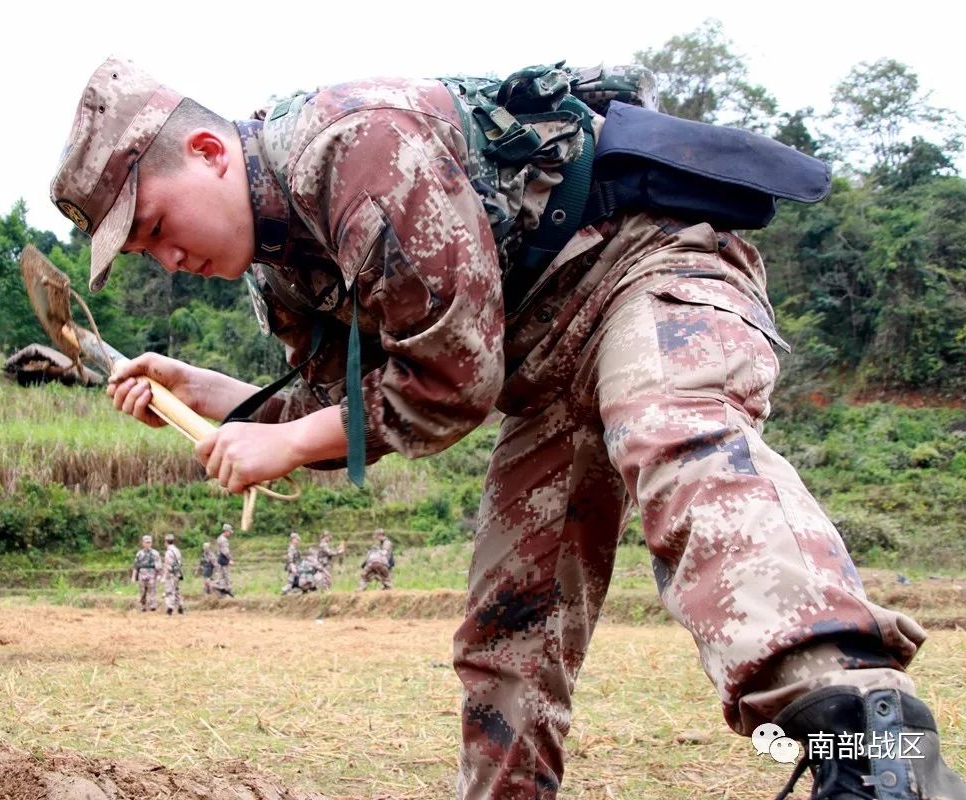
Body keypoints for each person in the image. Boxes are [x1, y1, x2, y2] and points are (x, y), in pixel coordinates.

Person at [54, 58, 965, 799]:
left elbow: (449, 387)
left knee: (665, 425)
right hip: (539, 364)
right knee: (506, 632)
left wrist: (286, 440)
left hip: (642, 265)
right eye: (146, 254)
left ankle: (871, 739)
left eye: (160, 225)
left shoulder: (355, 148)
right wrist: (217, 395)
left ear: (210, 150)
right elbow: (361, 415)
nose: (171, 258)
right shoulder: (283, 275)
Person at [131, 534, 161, 612]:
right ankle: (143, 606)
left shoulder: (155, 553)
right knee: (142, 591)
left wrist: (159, 575)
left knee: (152, 590)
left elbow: (159, 566)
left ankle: (153, 606)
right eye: (146, 542)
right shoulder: (139, 554)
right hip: (142, 575)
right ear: (143, 543)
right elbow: (135, 566)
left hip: (152, 574)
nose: (148, 544)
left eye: (149, 542)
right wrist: (133, 577)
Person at [160, 533, 185, 615]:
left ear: (166, 542)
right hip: (177, 573)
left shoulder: (168, 552)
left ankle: (170, 608)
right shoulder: (177, 550)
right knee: (177, 590)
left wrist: (164, 576)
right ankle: (180, 606)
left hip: (170, 574)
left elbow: (167, 565)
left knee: (169, 591)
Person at [213, 523, 234, 598]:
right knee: (225, 577)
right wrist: (230, 559)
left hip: (221, 560)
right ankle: (224, 590)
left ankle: (223, 593)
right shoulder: (223, 540)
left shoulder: (220, 538)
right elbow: (225, 551)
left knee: (222, 577)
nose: (230, 534)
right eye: (229, 532)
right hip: (223, 560)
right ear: (226, 531)